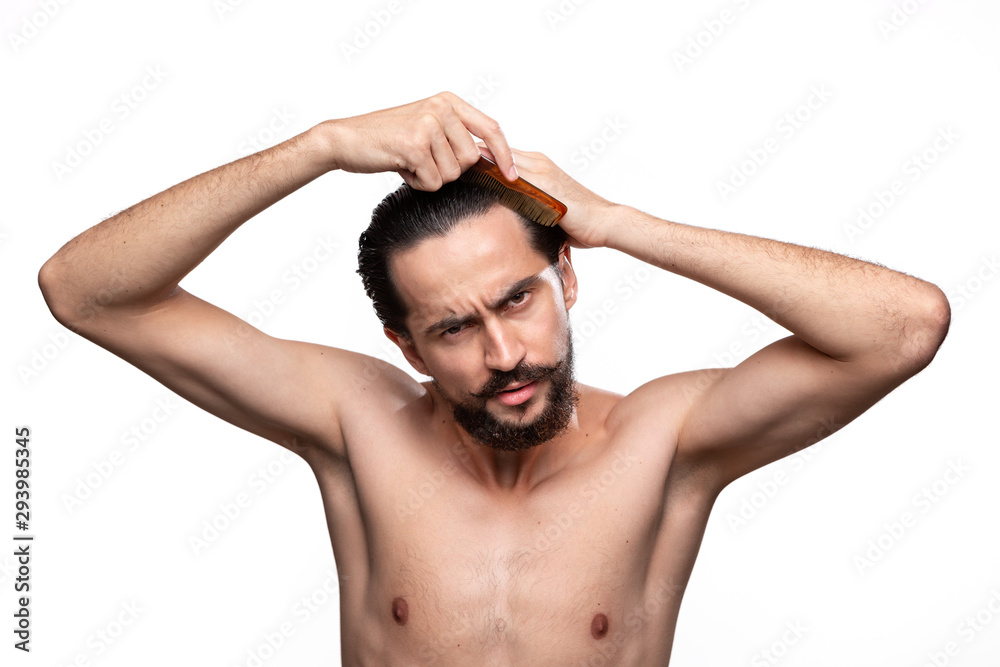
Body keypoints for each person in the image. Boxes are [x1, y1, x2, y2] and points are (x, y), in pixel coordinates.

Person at [38, 91, 950, 665]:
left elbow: (903, 328)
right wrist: (317, 146)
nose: (505, 354)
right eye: (453, 327)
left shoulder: (665, 442)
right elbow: (84, 292)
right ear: (407, 346)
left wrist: (618, 218)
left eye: (519, 299)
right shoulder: (357, 424)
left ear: (569, 277)